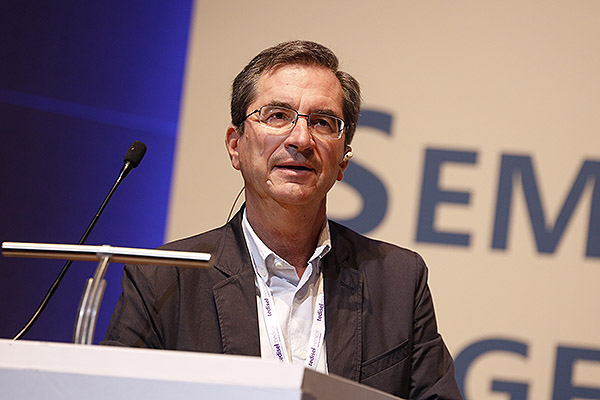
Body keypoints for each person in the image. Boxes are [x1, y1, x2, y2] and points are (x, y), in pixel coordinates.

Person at [103, 40, 462, 399]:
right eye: (277, 115)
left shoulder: (397, 279)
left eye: (322, 122)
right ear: (235, 146)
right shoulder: (166, 279)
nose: (301, 139)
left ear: (343, 161)